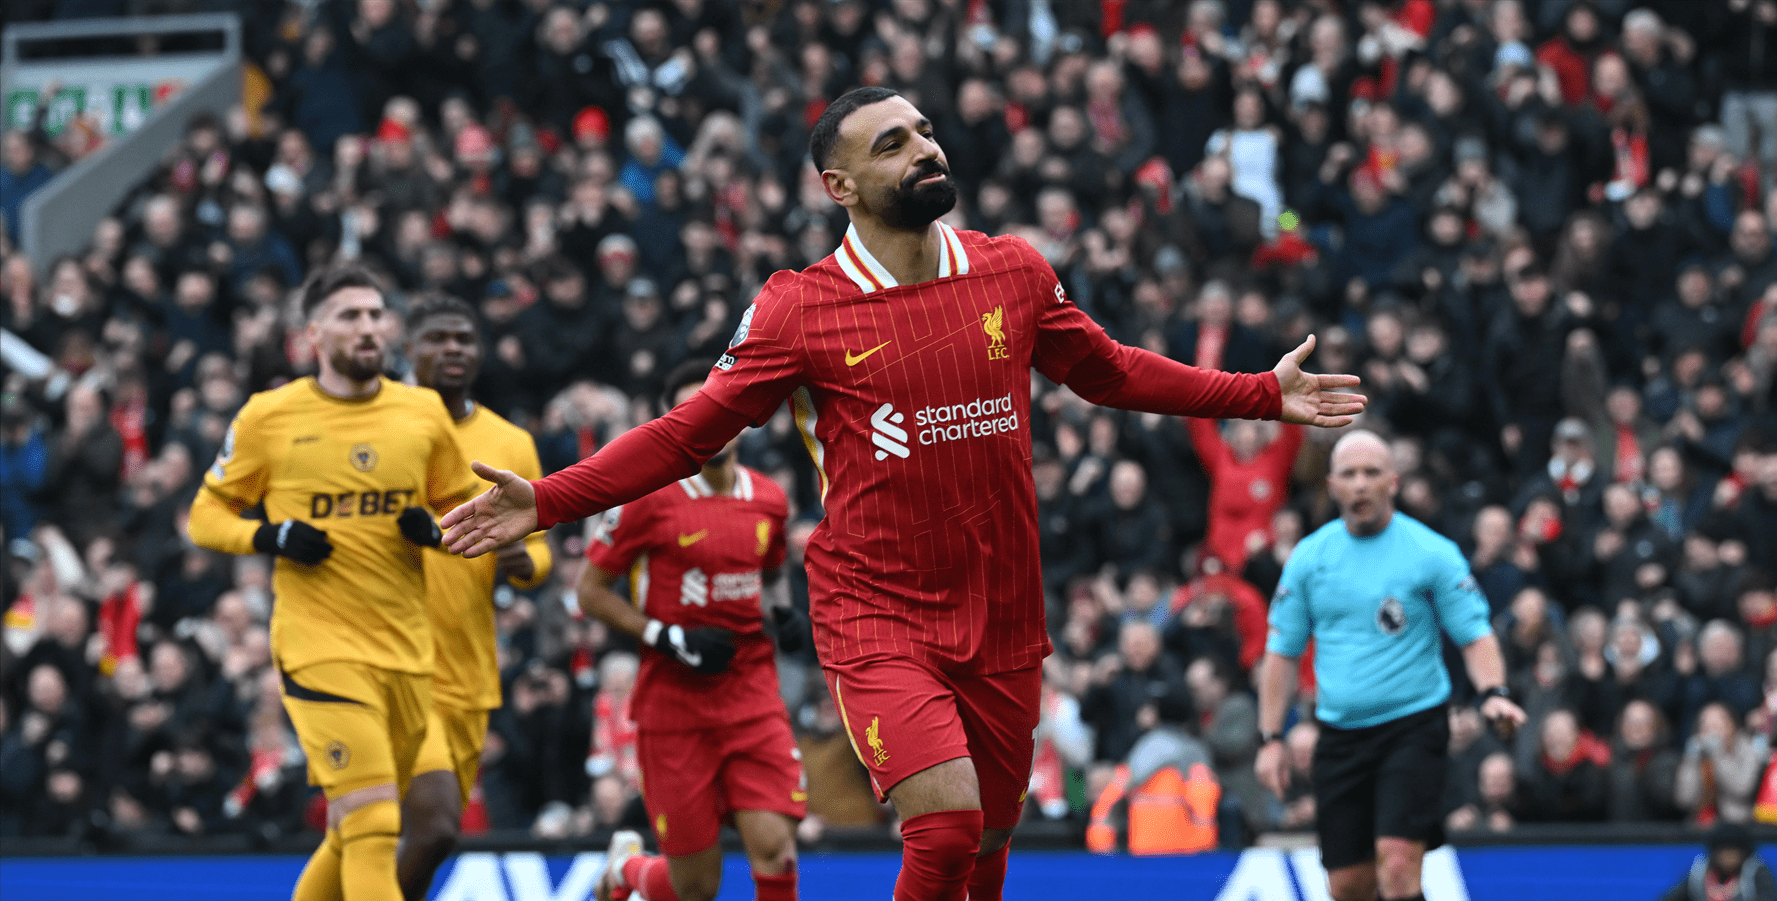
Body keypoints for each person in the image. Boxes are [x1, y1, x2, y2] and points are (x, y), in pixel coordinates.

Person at [441, 86, 1364, 901]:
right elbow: (690, 433)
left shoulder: (1011, 269)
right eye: (892, 144)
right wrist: (549, 499)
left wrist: (1259, 393)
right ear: (839, 186)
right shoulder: (799, 308)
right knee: (948, 827)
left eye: (924, 131)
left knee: (990, 843)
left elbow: (1110, 371)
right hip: (876, 607)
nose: (925, 148)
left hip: (1003, 605)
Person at [186, 265, 474, 901]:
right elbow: (205, 516)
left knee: (378, 827)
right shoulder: (269, 416)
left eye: (375, 314)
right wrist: (270, 537)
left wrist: (435, 532)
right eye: (350, 316)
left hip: (407, 649)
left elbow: (464, 505)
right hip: (320, 648)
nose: (368, 327)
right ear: (312, 334)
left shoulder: (422, 411)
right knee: (374, 823)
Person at [1254, 431, 1527, 901]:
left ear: (1393, 482)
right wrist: (1271, 738)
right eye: (1349, 474)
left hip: (1413, 728)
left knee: (1398, 865)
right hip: (1340, 734)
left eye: (1371, 473)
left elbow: (1475, 635)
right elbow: (1282, 654)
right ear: (1332, 485)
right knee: (1348, 885)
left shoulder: (1431, 552)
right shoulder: (1309, 560)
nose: (1360, 484)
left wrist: (1494, 694)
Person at [584, 359, 807, 901]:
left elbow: (771, 573)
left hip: (750, 694)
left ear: (740, 419)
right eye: (692, 412)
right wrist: (667, 637)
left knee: (776, 849)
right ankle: (627, 871)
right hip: (674, 707)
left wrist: (783, 614)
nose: (709, 423)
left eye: (717, 410)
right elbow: (590, 591)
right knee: (695, 887)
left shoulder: (769, 499)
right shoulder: (647, 497)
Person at [396, 295, 551, 901]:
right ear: (408, 351)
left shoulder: (511, 442)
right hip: (394, 661)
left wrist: (522, 563)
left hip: (468, 670)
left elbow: (539, 551)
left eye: (463, 338)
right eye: (437, 338)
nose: (452, 349)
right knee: (425, 827)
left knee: (434, 836)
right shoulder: (382, 428)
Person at [1656, 822, 1777, 901]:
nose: (1729, 857)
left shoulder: (1756, 872)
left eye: (1733, 852)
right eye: (1724, 851)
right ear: (1714, 853)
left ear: (1744, 854)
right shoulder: (1700, 872)